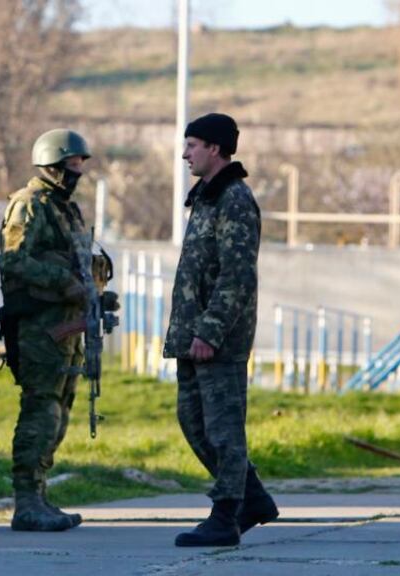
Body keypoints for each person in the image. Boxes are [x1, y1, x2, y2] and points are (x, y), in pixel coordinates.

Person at [163, 113, 278, 547]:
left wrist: (210, 331)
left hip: (217, 340)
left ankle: (226, 514)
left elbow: (237, 275)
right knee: (193, 421)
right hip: (193, 336)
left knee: (224, 429)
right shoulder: (208, 198)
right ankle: (254, 499)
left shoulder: (233, 199)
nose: (185, 154)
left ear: (214, 148)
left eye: (192, 145)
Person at [0, 129, 98, 532]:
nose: (78, 171)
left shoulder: (65, 208)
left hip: (68, 326)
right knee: (41, 409)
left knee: (59, 411)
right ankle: (25, 501)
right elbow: (13, 261)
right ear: (54, 166)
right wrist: (64, 282)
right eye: (73, 165)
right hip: (41, 326)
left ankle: (40, 495)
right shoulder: (29, 206)